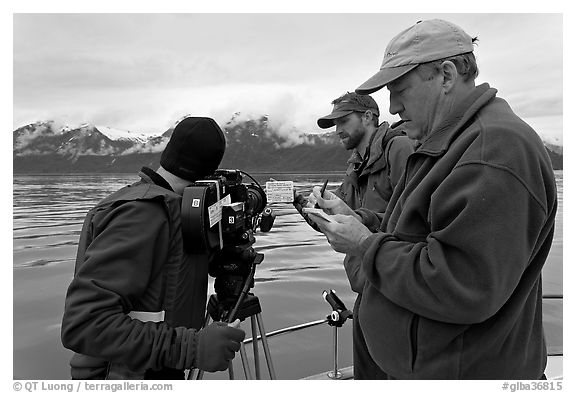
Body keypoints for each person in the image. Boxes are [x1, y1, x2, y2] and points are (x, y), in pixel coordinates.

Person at [307, 19, 557, 379]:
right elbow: (421, 229)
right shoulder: (448, 141)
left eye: (399, 89)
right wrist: (364, 222)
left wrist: (364, 244)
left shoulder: (495, 149)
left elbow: (464, 284)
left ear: (446, 74)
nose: (392, 107)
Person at [61, 117, 246, 380]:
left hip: (155, 368)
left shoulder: (175, 211)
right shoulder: (143, 214)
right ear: (210, 174)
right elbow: (84, 324)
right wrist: (192, 347)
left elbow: (167, 281)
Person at [316, 91, 413, 379]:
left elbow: (414, 220)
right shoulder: (355, 164)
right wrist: (317, 213)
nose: (338, 131)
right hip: (368, 290)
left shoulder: (401, 150)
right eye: (335, 124)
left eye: (343, 121)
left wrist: (360, 221)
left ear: (369, 117)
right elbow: (346, 216)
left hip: (399, 292)